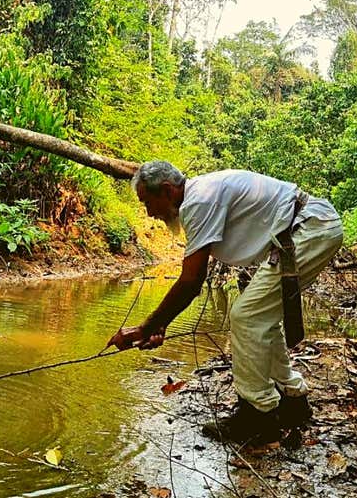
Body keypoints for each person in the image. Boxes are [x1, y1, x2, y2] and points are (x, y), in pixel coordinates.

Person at [107, 161, 343, 445]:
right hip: (310, 227)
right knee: (260, 319)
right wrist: (158, 324)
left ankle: (257, 415)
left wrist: (148, 327)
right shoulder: (202, 193)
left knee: (246, 316)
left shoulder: (198, 200)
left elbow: (191, 281)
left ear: (168, 191)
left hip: (309, 229)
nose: (149, 213)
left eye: (148, 202)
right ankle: (292, 401)